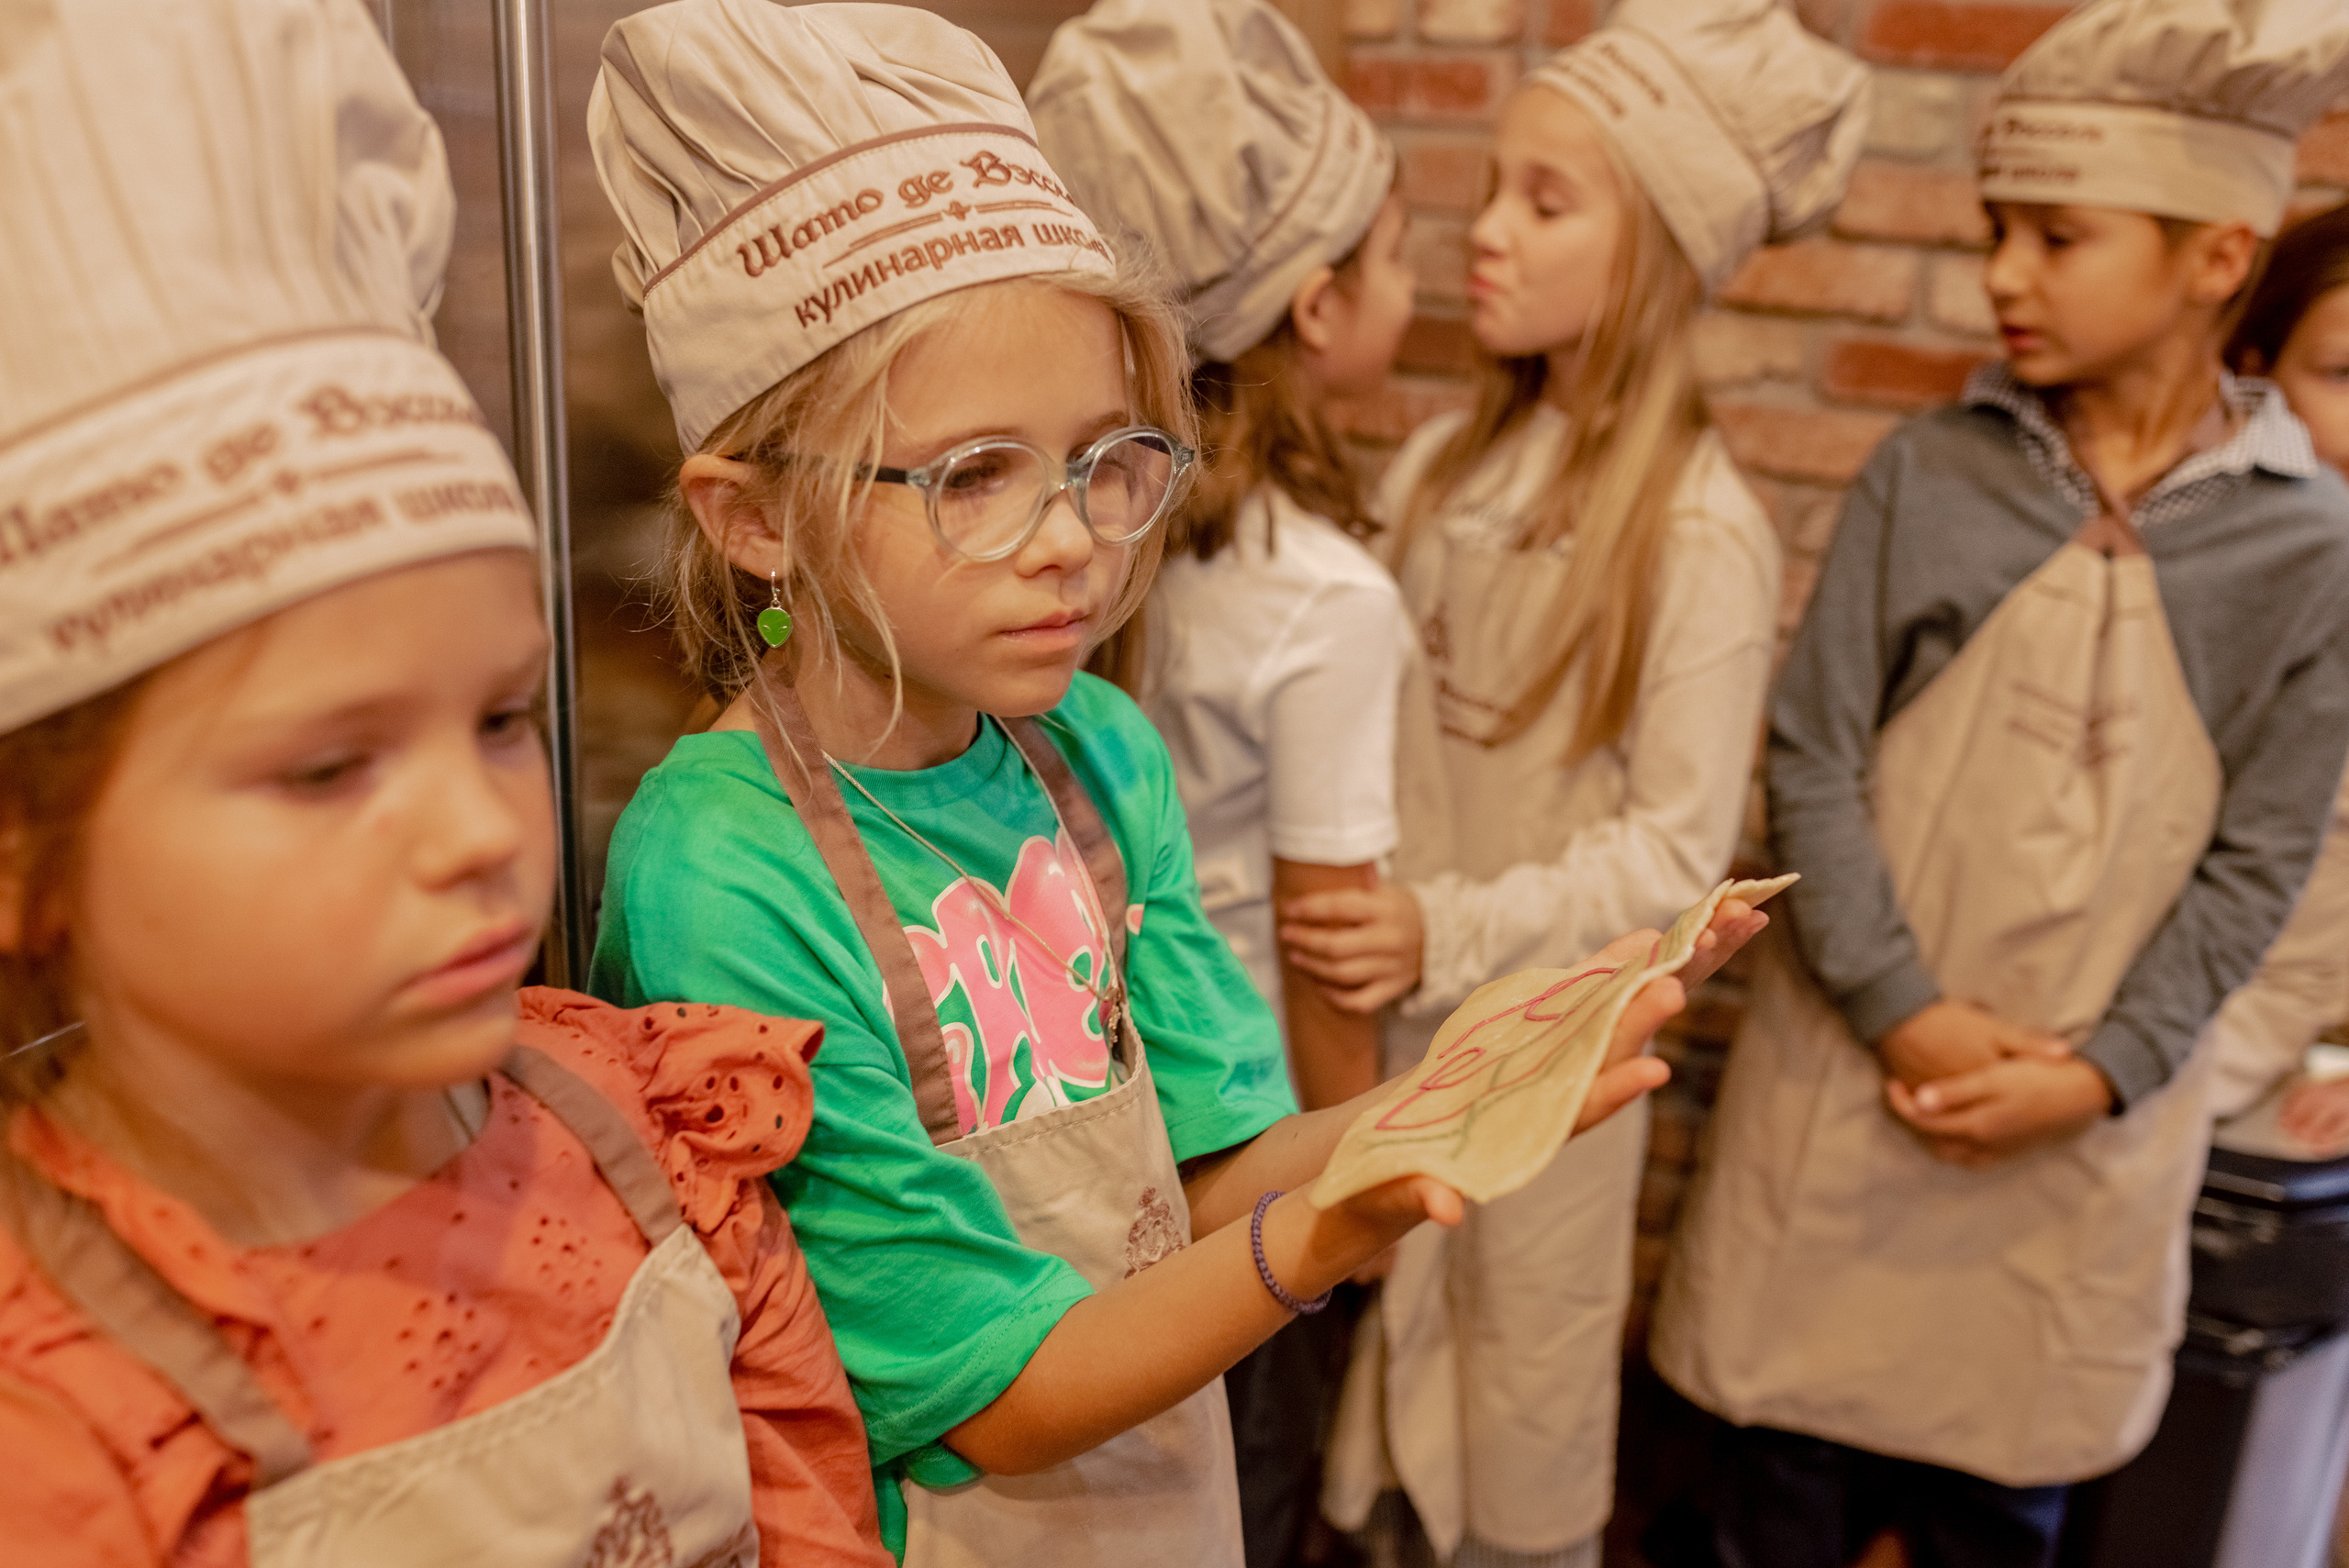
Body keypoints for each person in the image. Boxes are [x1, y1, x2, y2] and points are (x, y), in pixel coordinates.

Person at [581, 4, 1753, 1563]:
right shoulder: (716, 868)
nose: (1072, 536)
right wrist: (1334, 1227)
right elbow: (995, 1390)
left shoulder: (1095, 761)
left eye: (1100, 459)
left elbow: (1207, 1173)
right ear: (752, 518)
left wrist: (1457, 1088)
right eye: (975, 474)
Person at [0, 1, 889, 1563]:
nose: (487, 828)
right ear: (26, 851)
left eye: (500, 718)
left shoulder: (654, 1139)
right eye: (331, 764)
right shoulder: (56, 1411)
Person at [1649, 2, 2349, 1563]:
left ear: (2217, 258)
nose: (2007, 274)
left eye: (2059, 235)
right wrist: (1902, 1000)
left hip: (2084, 1131)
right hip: (1848, 1088)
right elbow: (1814, 753)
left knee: (1992, 1522)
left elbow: (2262, 858)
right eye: (1995, 233)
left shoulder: (2306, 550)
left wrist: (2101, 1067)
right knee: (1774, 1508)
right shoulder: (1927, 471)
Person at [1271, 5, 1868, 1565]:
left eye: (1552, 202)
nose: (1491, 234)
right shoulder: (1438, 472)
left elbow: (1674, 856)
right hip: (1384, 1038)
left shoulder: (1697, 530)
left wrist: (1439, 929)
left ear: (1657, 250)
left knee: (1508, 1418)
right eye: (1497, 190)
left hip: (1547, 1067)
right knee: (1379, 1406)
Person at [1026, 4, 1416, 1560]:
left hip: (1088, 1148)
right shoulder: (1325, 593)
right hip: (1248, 1143)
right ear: (1318, 308)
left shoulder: (1092, 544)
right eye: (1393, 259)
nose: (1417, 285)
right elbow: (1329, 943)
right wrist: (1360, 1177)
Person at [2209, 200, 2349, 1151]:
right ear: (2252, 371)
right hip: (2082, 1058)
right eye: (2343, 375)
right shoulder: (2169, 554)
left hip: (2278, 1100)